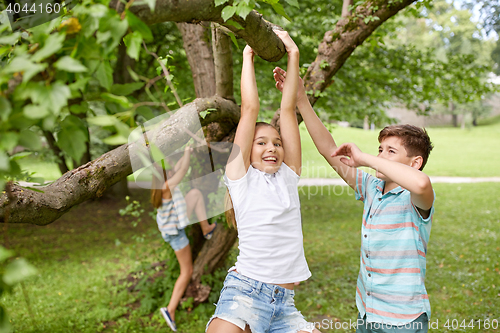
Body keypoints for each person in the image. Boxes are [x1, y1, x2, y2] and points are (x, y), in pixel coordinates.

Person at [274, 67, 435, 333]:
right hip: (368, 311)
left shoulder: (415, 196)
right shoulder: (372, 187)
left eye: (390, 151)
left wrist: (366, 159)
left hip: (403, 319)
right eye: (379, 149)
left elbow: (422, 183)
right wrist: (301, 99)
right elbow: (328, 149)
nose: (381, 156)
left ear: (415, 162)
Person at [205, 31, 320, 333]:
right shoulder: (240, 177)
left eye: (277, 142)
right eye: (261, 143)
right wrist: (247, 55)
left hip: (285, 305)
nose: (272, 148)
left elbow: (287, 110)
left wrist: (294, 55)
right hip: (245, 294)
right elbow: (250, 109)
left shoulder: (288, 175)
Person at [151, 145, 217, 332]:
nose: (173, 168)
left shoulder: (161, 185)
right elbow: (183, 169)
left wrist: (187, 149)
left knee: (195, 194)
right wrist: (188, 153)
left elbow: (179, 166)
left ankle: (206, 228)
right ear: (166, 174)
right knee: (186, 271)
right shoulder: (167, 186)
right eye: (169, 168)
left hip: (175, 228)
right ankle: (170, 309)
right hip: (176, 235)